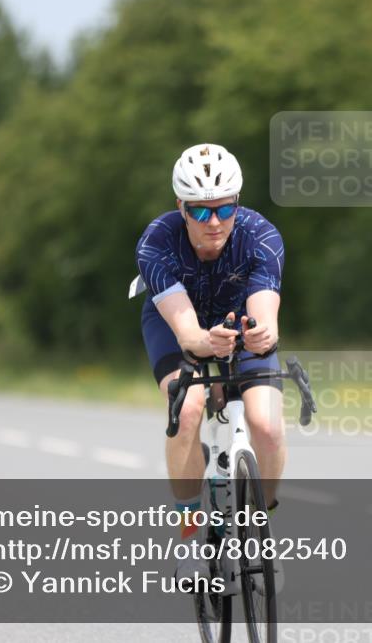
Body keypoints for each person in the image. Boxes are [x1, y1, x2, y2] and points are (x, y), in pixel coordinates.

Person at [135, 143, 285, 587]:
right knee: (188, 409)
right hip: (180, 323)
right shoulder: (157, 242)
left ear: (237, 203)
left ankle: (261, 525)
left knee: (267, 424)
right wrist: (204, 342)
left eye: (224, 208)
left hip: (239, 321)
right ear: (181, 208)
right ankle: (187, 537)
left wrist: (262, 334)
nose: (214, 222)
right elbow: (188, 333)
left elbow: (268, 318)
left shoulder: (261, 237)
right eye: (200, 212)